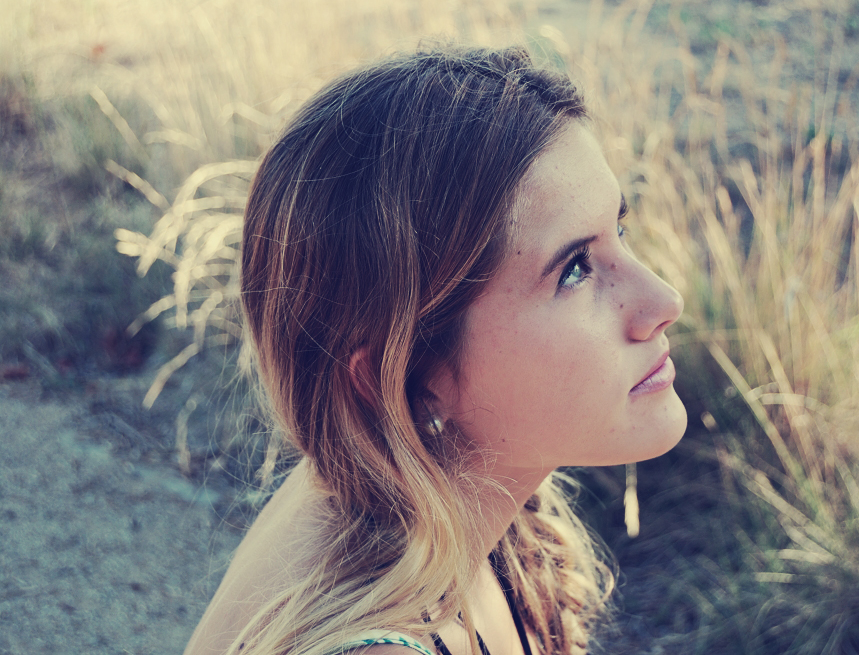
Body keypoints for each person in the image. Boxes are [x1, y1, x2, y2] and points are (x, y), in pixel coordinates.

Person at [185, 44, 686, 655]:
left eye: (621, 230)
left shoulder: (393, 494)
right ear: (401, 377)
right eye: (575, 269)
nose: (665, 300)